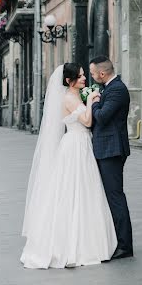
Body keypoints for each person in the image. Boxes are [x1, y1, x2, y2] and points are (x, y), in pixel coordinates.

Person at [21, 63, 117, 269]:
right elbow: (87, 121)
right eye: (81, 76)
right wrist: (91, 101)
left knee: (85, 190)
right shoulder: (68, 98)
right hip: (75, 145)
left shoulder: (75, 96)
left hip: (81, 145)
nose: (84, 79)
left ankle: (87, 238)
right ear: (68, 81)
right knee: (73, 189)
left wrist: (88, 98)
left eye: (84, 75)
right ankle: (70, 244)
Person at [90, 56, 133, 259]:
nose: (91, 77)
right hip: (106, 148)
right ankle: (116, 240)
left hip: (112, 150)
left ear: (102, 73)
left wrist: (94, 102)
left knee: (115, 197)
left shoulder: (116, 89)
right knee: (111, 196)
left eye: (92, 73)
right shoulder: (109, 87)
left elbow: (102, 117)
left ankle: (125, 246)